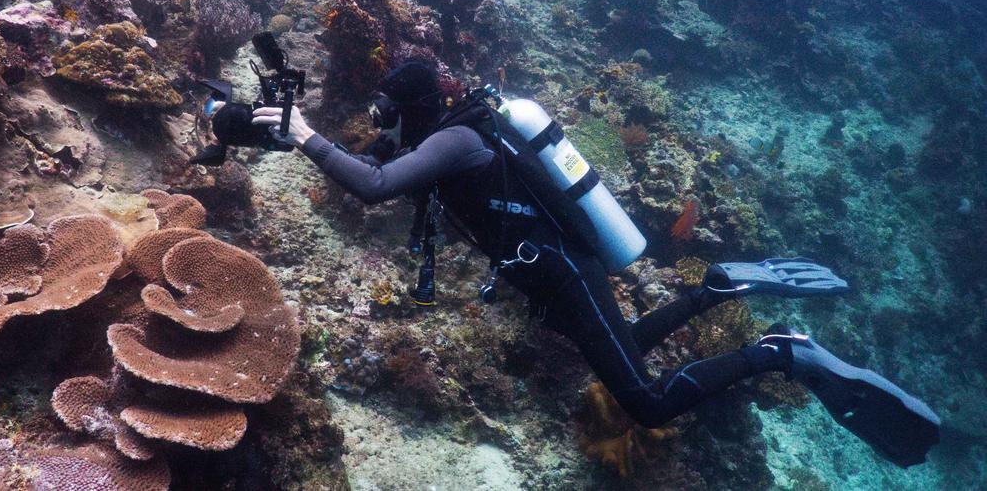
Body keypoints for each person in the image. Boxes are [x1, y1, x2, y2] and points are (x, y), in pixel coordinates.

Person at [249, 60, 940, 468]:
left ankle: (777, 354)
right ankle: (715, 289)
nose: (380, 121)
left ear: (411, 108)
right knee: (627, 345)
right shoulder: (452, 137)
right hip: (556, 275)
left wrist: (304, 133)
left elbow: (372, 186)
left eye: (385, 110)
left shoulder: (453, 142)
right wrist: (294, 138)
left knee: (643, 402)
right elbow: (377, 168)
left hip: (564, 273)